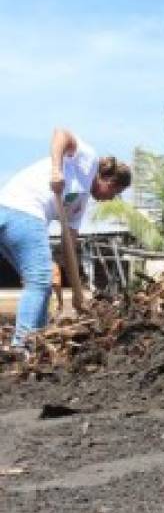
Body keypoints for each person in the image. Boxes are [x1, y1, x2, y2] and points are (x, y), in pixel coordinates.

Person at [0, 128, 130, 349]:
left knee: (43, 285)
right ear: (110, 181)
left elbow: (68, 246)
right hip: (23, 209)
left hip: (15, 215)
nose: (110, 199)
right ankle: (21, 348)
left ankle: (35, 343)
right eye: (115, 193)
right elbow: (61, 133)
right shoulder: (88, 162)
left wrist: (77, 292)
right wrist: (56, 170)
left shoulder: (78, 207)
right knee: (40, 281)